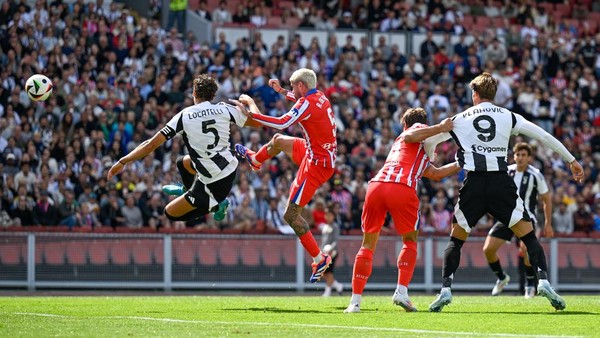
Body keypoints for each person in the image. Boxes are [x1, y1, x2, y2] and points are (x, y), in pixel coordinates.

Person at [428, 72, 584, 313]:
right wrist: (571, 159)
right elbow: (543, 136)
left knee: (456, 240)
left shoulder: (458, 119)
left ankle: (446, 289)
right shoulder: (509, 116)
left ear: (475, 94)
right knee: (529, 237)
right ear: (494, 94)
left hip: (475, 184)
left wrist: (430, 154)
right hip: (502, 182)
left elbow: (432, 139)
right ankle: (543, 281)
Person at [344, 108, 461, 313]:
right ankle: (402, 292)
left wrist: (461, 163)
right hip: (401, 188)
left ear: (404, 122)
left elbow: (435, 174)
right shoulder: (417, 129)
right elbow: (411, 134)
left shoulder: (407, 148)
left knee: (368, 245)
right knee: (409, 241)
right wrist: (441, 127)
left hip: (376, 186)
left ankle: (354, 302)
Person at [107, 74, 258, 224]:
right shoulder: (224, 108)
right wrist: (250, 102)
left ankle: (217, 206)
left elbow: (150, 145)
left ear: (194, 93)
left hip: (214, 183)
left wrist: (123, 160)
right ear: (213, 95)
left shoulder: (184, 116)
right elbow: (258, 122)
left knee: (169, 213)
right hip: (228, 169)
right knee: (182, 162)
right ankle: (186, 190)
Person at [234, 68, 336, 283]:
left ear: (301, 86)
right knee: (279, 140)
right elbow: (299, 102)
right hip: (315, 152)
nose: (291, 90)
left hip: (317, 165)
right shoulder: (319, 97)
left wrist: (251, 111)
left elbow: (281, 122)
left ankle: (320, 258)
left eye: (291, 86)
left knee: (290, 216)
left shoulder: (306, 103)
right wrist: (281, 91)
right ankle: (256, 159)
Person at [482, 142, 553, 299]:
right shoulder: (506, 171)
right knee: (488, 250)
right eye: (517, 155)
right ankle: (501, 277)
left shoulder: (536, 175)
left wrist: (548, 223)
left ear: (529, 158)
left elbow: (546, 198)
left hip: (527, 217)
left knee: (525, 248)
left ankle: (529, 285)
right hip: (507, 217)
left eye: (523, 155)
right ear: (513, 156)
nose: (520, 158)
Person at [320, 203, 343, 297]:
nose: (328, 217)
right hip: (324, 253)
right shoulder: (324, 227)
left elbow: (335, 241)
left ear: (333, 216)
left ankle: (327, 291)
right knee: (324, 272)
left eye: (330, 215)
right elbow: (323, 241)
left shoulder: (335, 226)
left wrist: (330, 248)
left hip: (332, 253)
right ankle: (338, 286)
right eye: (326, 215)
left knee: (328, 272)